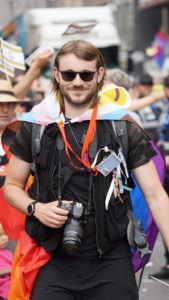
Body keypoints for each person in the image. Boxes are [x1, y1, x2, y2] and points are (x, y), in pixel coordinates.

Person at [3, 40, 169, 300]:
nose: (77, 81)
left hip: (111, 261)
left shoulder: (122, 127)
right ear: (57, 75)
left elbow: (156, 196)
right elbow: (12, 187)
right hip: (53, 261)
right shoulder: (35, 126)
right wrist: (37, 208)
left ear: (99, 75)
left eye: (86, 74)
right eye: (69, 74)